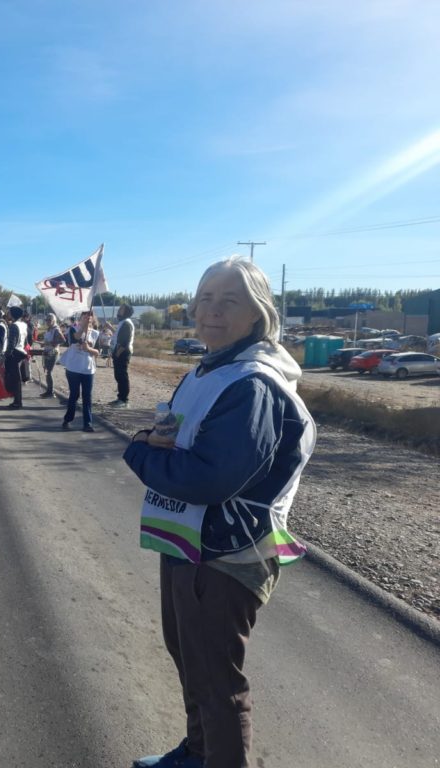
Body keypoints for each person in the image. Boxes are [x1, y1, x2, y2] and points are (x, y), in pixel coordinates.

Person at [122, 257, 316, 768]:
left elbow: (210, 477)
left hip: (224, 556)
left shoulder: (251, 384)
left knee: (217, 681)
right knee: (191, 661)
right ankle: (198, 752)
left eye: (229, 301)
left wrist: (139, 451)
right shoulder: (213, 369)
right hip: (190, 544)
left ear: (257, 315)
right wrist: (157, 441)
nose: (211, 311)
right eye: (205, 298)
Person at [60, 311, 101, 431]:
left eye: (89, 318)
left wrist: (89, 349)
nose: (86, 319)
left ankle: (88, 423)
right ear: (80, 319)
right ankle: (68, 418)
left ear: (92, 320)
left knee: (87, 396)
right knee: (74, 394)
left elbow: (98, 352)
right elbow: (75, 338)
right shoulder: (73, 329)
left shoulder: (95, 333)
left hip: (88, 369)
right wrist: (83, 327)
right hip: (74, 368)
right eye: (84, 317)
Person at [110, 303, 135, 407]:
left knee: (122, 376)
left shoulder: (126, 323)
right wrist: (110, 328)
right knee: (118, 376)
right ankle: (120, 398)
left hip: (122, 352)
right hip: (118, 351)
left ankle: (124, 400)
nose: (118, 310)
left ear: (126, 312)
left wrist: (117, 354)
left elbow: (124, 342)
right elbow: (118, 336)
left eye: (121, 309)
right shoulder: (122, 322)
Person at [4, 306, 28, 408]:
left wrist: (6, 355)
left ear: (13, 314)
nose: (8, 314)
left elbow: (11, 343)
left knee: (15, 379)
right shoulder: (23, 324)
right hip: (21, 352)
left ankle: (17, 402)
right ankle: (17, 401)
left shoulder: (14, 326)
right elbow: (27, 340)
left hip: (15, 353)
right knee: (17, 379)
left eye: (9, 312)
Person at [39, 312, 67, 398]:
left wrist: (52, 343)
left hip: (53, 352)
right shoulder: (49, 329)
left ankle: (50, 391)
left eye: (49, 320)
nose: (47, 321)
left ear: (53, 320)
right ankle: (49, 390)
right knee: (47, 371)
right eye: (46, 320)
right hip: (48, 351)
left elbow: (63, 340)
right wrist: (45, 344)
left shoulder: (56, 329)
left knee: (49, 372)